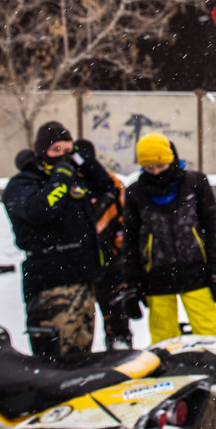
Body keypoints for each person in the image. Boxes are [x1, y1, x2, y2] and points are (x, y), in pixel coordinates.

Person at [3, 121, 115, 359]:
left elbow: (104, 184)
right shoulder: (24, 183)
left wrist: (80, 159)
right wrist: (61, 178)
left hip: (83, 279)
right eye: (56, 151)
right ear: (42, 151)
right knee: (58, 360)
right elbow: (40, 211)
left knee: (82, 355)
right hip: (51, 283)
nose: (63, 157)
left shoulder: (73, 177)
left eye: (67, 150)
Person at [121, 132, 216, 344]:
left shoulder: (195, 183)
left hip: (196, 273)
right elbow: (130, 241)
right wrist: (131, 284)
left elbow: (212, 228)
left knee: (210, 335)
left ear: (171, 160)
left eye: (160, 166)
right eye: (149, 167)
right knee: (163, 341)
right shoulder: (135, 193)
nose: (156, 172)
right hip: (156, 278)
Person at [76, 139, 136, 350]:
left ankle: (119, 351)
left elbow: (126, 224)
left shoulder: (111, 184)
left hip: (111, 266)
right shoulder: (69, 186)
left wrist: (119, 255)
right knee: (77, 326)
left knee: (117, 321)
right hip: (77, 269)